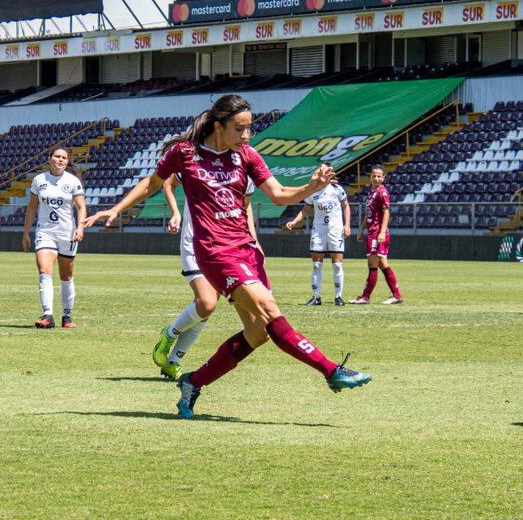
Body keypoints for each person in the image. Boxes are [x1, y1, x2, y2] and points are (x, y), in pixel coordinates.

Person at [85, 94, 371, 420]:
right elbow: (152, 184)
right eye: (240, 129)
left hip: (247, 251)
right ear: (219, 125)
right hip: (215, 253)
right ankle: (331, 370)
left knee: (258, 332)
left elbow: (278, 195)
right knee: (269, 310)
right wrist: (116, 209)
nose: (247, 136)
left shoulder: (246, 155)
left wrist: (310, 187)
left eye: (250, 129)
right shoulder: (186, 154)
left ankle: (194, 382)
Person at [151, 172, 258, 380]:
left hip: (226, 248)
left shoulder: (244, 173)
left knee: (204, 310)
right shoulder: (198, 164)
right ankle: (169, 334)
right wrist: (176, 214)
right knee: (207, 303)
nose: (242, 139)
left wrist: (253, 240)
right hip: (196, 244)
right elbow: (168, 183)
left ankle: (174, 362)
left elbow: (245, 209)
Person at [22, 148, 86, 329]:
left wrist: (80, 227)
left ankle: (67, 316)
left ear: (67, 162)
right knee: (44, 271)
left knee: (66, 276)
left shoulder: (73, 181)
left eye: (64, 158)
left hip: (67, 233)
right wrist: (26, 232)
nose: (60, 160)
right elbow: (32, 207)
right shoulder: (39, 180)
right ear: (49, 159)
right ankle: (48, 315)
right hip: (45, 232)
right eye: (57, 156)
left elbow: (81, 207)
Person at [285, 171, 351, 306]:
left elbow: (346, 206)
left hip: (335, 229)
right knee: (316, 264)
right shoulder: (313, 191)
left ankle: (339, 297)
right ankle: (316, 297)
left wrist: (347, 225)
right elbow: (305, 209)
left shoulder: (337, 189)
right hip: (319, 230)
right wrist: (294, 221)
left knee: (337, 264)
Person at [351, 165, 403, 305]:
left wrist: (382, 231)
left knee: (372, 265)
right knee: (382, 264)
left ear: (383, 178)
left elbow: (386, 212)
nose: (376, 178)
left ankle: (365, 297)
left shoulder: (382, 193)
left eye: (379, 176)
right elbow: (368, 214)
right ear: (370, 177)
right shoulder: (370, 192)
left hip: (378, 233)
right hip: (371, 232)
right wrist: (362, 230)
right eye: (374, 175)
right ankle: (397, 295)